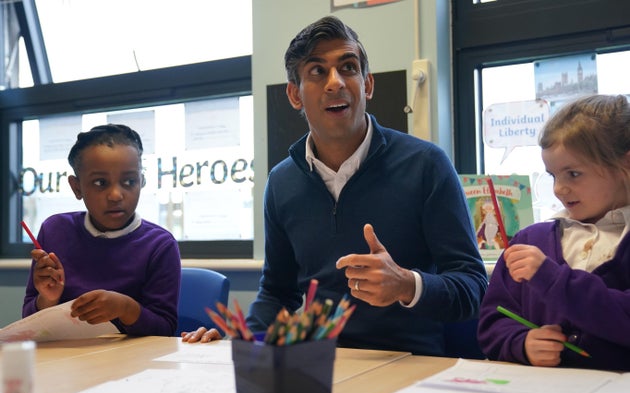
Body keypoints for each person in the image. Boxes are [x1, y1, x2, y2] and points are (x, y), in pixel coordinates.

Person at [183, 15, 487, 355]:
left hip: (410, 365)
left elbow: (474, 286)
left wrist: (407, 284)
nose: (335, 82)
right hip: (318, 364)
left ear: (367, 85)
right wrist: (239, 342)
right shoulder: (282, 182)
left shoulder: (427, 165)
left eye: (348, 67)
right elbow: (277, 293)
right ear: (294, 95)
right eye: (317, 71)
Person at [478, 94, 630, 371]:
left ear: (625, 166)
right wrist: (521, 344)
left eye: (573, 174)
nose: (559, 189)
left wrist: (551, 279)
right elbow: (494, 321)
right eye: (552, 175)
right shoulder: (530, 240)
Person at [23, 123, 181, 336]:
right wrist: (48, 299)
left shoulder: (159, 245)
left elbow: (165, 330)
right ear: (76, 187)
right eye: (100, 182)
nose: (116, 195)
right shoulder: (55, 231)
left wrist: (125, 308)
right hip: (64, 360)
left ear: (142, 181)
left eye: (129, 181)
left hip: (130, 363)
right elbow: (29, 319)